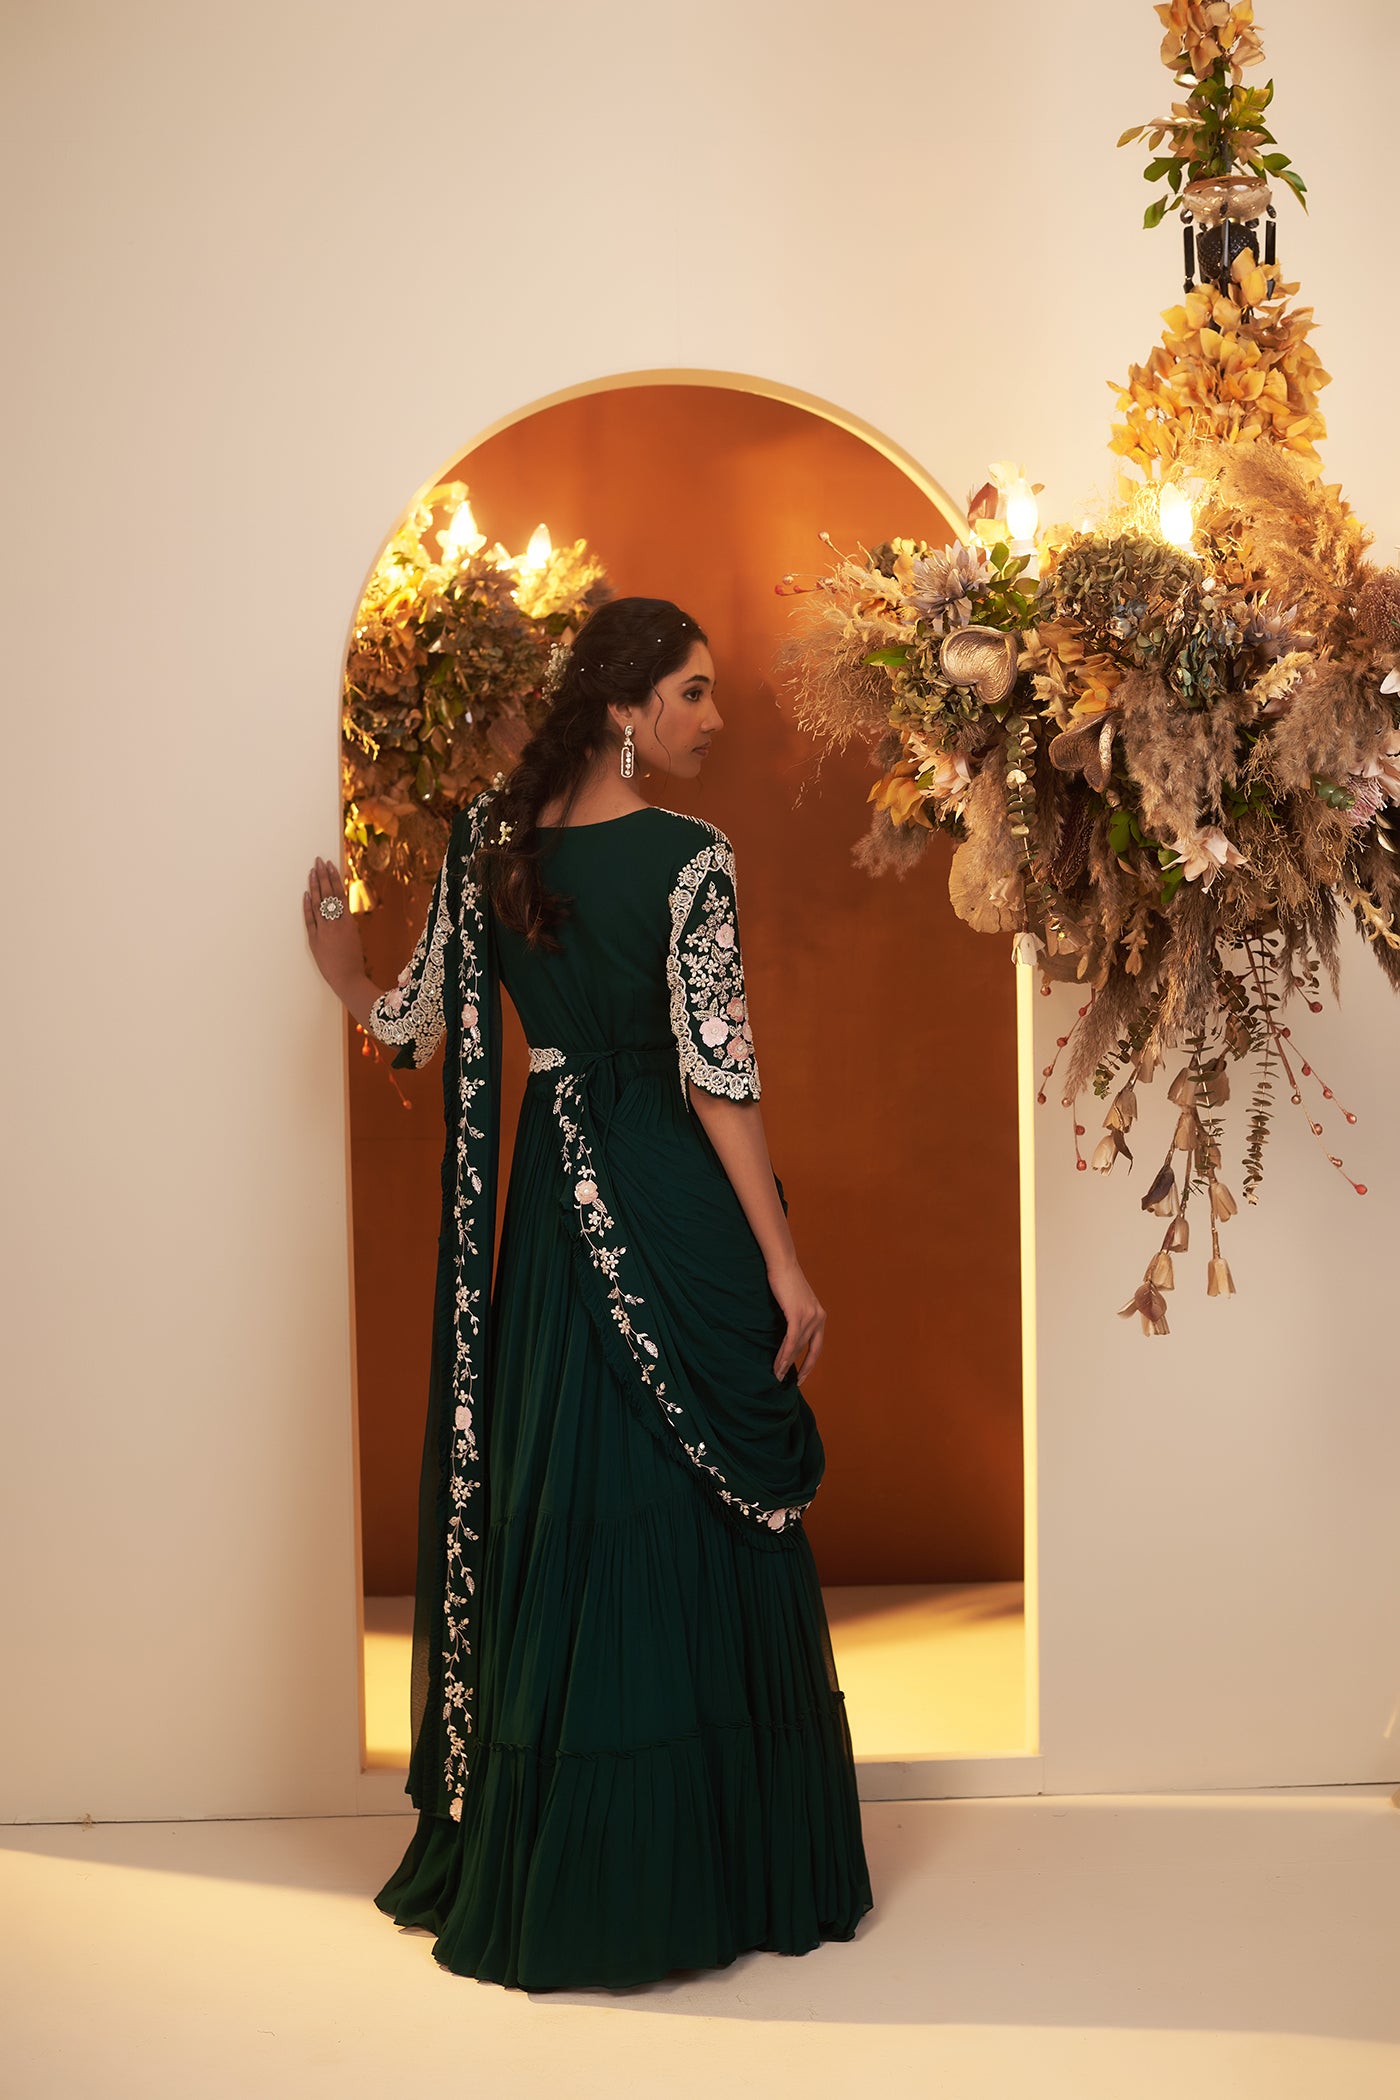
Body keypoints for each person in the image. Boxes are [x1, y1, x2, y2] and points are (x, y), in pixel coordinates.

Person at [304, 594, 873, 1990]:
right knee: (680, 1508)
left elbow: (415, 1024)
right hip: (668, 1193)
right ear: (628, 706)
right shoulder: (691, 859)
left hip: (557, 1218)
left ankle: (578, 1845)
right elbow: (719, 1078)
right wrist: (784, 1267)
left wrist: (343, 976)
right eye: (694, 693)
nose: (713, 719)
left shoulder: (489, 844)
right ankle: (715, 1856)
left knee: (575, 1498)